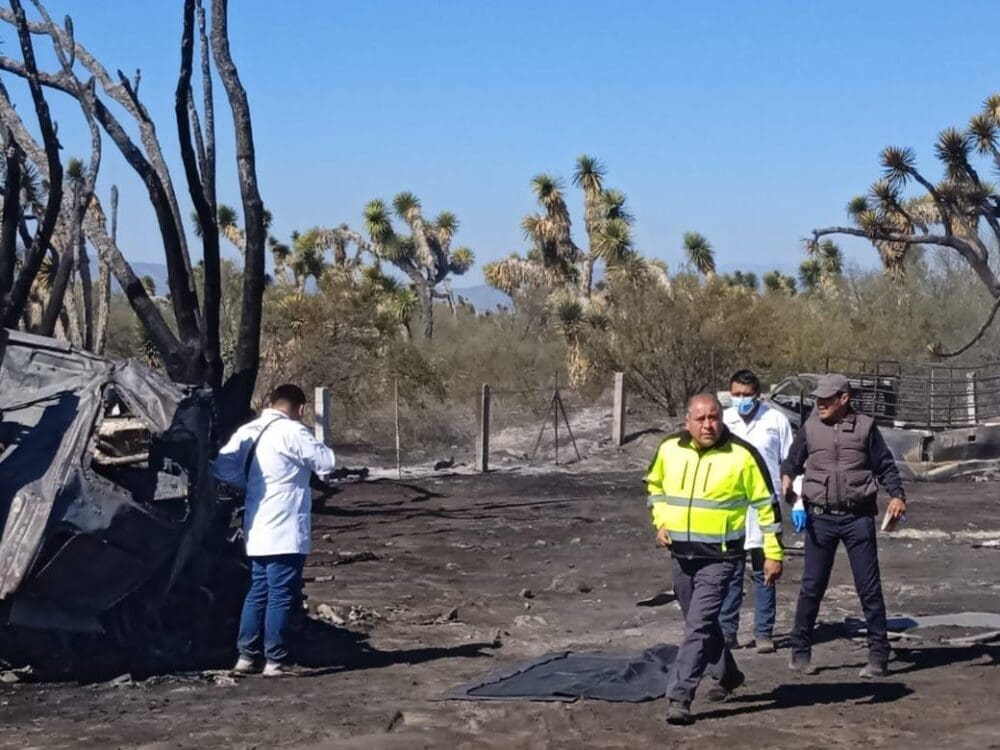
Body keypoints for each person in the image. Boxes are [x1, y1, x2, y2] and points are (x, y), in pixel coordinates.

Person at [647, 393, 784, 726]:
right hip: (682, 555)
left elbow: (766, 507)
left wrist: (773, 553)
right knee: (702, 624)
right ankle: (728, 674)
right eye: (701, 419)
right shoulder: (669, 448)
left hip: (720, 559)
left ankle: (679, 697)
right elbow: (655, 486)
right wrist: (660, 521)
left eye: (714, 418)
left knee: (697, 626)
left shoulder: (742, 455)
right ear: (687, 422)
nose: (708, 425)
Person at [780, 373, 906, 679]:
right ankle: (800, 652)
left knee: (869, 589)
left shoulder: (865, 427)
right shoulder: (810, 428)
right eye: (818, 399)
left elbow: (885, 465)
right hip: (820, 518)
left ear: (844, 399)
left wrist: (897, 495)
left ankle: (878, 655)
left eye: (826, 399)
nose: (820, 404)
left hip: (857, 518)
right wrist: (786, 479)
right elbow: (792, 461)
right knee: (812, 587)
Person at [213, 384, 336, 677]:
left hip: (257, 524)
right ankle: (275, 659)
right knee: (280, 593)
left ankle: (246, 656)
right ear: (300, 408)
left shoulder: (247, 431)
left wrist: (250, 485)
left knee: (258, 590)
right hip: (286, 526)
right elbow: (326, 463)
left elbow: (222, 467)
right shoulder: (293, 431)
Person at [719, 369, 793, 654]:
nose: (741, 399)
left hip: (765, 505)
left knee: (765, 569)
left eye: (747, 395)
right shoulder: (723, 421)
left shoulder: (776, 421)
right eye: (736, 394)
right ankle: (727, 631)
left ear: (758, 395)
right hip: (731, 506)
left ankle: (764, 632)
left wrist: (797, 500)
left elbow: (790, 463)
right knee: (732, 570)